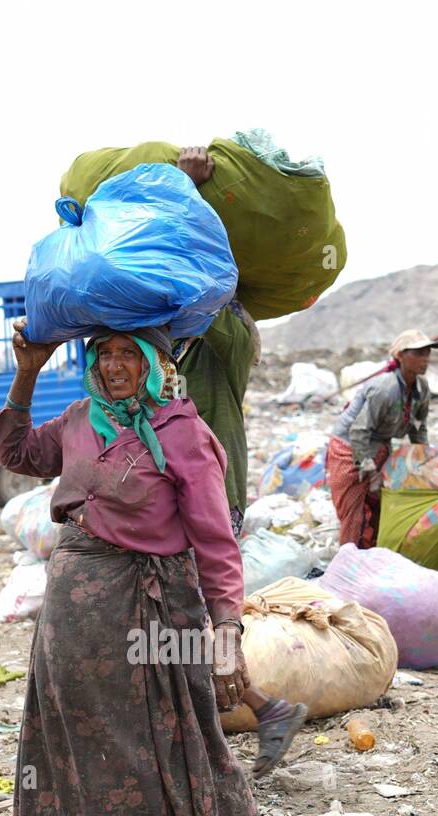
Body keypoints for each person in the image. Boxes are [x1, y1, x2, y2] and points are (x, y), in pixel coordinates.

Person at [0, 320, 274, 816]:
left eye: (128, 354)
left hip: (160, 605)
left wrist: (227, 632)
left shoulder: (183, 433)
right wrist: (28, 369)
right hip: (77, 604)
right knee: (63, 732)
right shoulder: (80, 420)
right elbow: (16, 453)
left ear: (154, 363)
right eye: (105, 353)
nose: (115, 365)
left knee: (189, 725)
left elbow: (216, 542)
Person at [165, 145, 307, 777]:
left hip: (213, 492)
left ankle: (242, 718)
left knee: (196, 617)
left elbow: (203, 275)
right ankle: (252, 710)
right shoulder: (175, 345)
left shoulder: (228, 333)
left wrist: (189, 193)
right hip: (176, 492)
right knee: (179, 618)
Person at [327, 329, 438, 547]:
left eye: (427, 353)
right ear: (400, 356)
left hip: (379, 443)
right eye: (418, 353)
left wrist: (424, 459)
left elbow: (419, 428)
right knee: (354, 512)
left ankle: (371, 552)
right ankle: (349, 559)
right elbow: (359, 430)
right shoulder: (385, 388)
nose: (425, 359)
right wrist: (368, 469)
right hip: (351, 447)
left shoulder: (421, 388)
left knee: (379, 504)